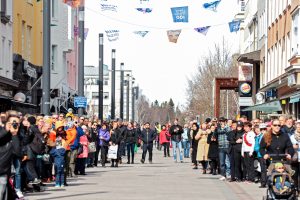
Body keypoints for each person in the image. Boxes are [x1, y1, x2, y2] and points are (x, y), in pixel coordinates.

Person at [0, 112, 22, 200]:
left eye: (17, 123)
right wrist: (5, 129)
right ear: (7, 123)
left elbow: (17, 152)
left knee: (2, 193)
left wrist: (14, 135)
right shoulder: (2, 130)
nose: (14, 125)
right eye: (13, 122)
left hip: (3, 171)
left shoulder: (16, 135)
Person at [254, 123, 267, 188]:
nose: (263, 130)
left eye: (264, 129)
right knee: (263, 169)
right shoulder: (259, 137)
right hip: (261, 155)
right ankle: (263, 182)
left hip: (268, 155)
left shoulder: (268, 136)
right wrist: (260, 151)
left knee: (267, 169)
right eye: (262, 129)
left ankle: (267, 182)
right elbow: (256, 147)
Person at [290, 120, 300, 192]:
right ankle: (295, 189)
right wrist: (292, 146)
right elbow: (289, 146)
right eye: (298, 127)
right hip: (295, 158)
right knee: (295, 175)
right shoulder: (292, 136)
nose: (299, 128)